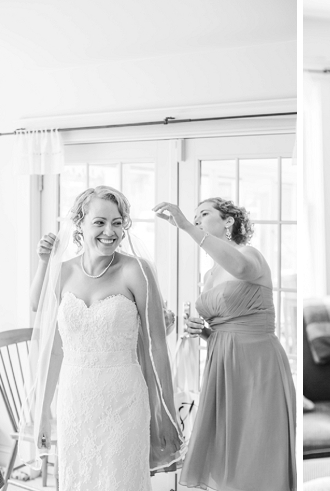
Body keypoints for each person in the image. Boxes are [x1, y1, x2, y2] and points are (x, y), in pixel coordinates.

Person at [22, 186, 182, 491]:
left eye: (117, 222)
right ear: (79, 224)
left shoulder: (136, 271)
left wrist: (166, 412)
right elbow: (48, 333)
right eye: (99, 222)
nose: (110, 231)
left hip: (125, 402)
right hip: (74, 401)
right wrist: (43, 412)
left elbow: (157, 348)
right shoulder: (63, 271)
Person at [153, 197, 296, 491]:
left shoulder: (250, 255)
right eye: (194, 217)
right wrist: (204, 331)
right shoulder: (209, 275)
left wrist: (185, 227)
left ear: (228, 221)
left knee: (256, 450)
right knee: (227, 453)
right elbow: (224, 325)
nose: (196, 220)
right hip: (221, 364)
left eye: (203, 214)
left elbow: (241, 270)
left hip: (257, 364)